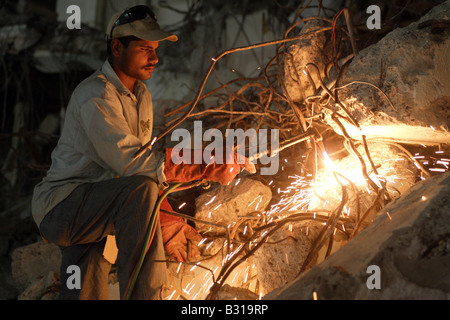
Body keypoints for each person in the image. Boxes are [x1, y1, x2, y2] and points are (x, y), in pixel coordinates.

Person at [31, 5, 255, 300]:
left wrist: (167, 219)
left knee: (85, 289)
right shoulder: (95, 95)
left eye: (155, 49)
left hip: (98, 204)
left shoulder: (141, 96)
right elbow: (133, 163)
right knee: (138, 191)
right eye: (144, 49)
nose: (155, 57)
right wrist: (203, 161)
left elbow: (139, 172)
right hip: (61, 207)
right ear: (116, 47)